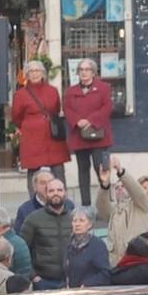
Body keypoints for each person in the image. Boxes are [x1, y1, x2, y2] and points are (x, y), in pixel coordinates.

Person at [11, 59, 70, 187]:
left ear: (43, 73)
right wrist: (30, 124)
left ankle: (61, 196)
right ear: (27, 75)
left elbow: (56, 108)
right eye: (31, 71)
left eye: (37, 70)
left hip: (52, 135)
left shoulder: (52, 90)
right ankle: (34, 202)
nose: (34, 74)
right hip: (32, 137)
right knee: (33, 170)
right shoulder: (20, 94)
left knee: (58, 168)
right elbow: (16, 116)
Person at [64, 59, 113, 207]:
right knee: (83, 170)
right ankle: (86, 205)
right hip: (80, 136)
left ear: (93, 72)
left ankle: (106, 203)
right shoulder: (71, 91)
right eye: (81, 70)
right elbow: (67, 109)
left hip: (99, 136)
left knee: (101, 168)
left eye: (87, 69)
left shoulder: (103, 88)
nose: (84, 72)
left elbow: (107, 107)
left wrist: (90, 121)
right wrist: (77, 121)